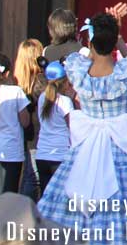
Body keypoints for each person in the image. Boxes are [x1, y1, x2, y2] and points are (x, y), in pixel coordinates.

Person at [37, 13, 127, 241]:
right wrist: (120, 39)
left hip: (86, 148)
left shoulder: (78, 69)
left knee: (76, 199)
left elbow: (80, 57)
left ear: (91, 41)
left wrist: (102, 37)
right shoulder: (125, 73)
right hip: (121, 150)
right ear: (113, 41)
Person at [0, 53, 31, 194]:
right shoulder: (16, 92)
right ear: (7, 73)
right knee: (10, 195)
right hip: (12, 151)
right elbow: (25, 121)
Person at [34, 62, 74, 191]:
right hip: (60, 155)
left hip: (42, 154)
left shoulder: (41, 98)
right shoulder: (65, 101)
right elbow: (72, 127)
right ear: (64, 81)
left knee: (45, 196)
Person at [14, 39, 47, 199]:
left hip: (24, 141)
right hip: (39, 140)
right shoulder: (41, 84)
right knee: (33, 180)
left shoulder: (16, 85)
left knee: (28, 178)